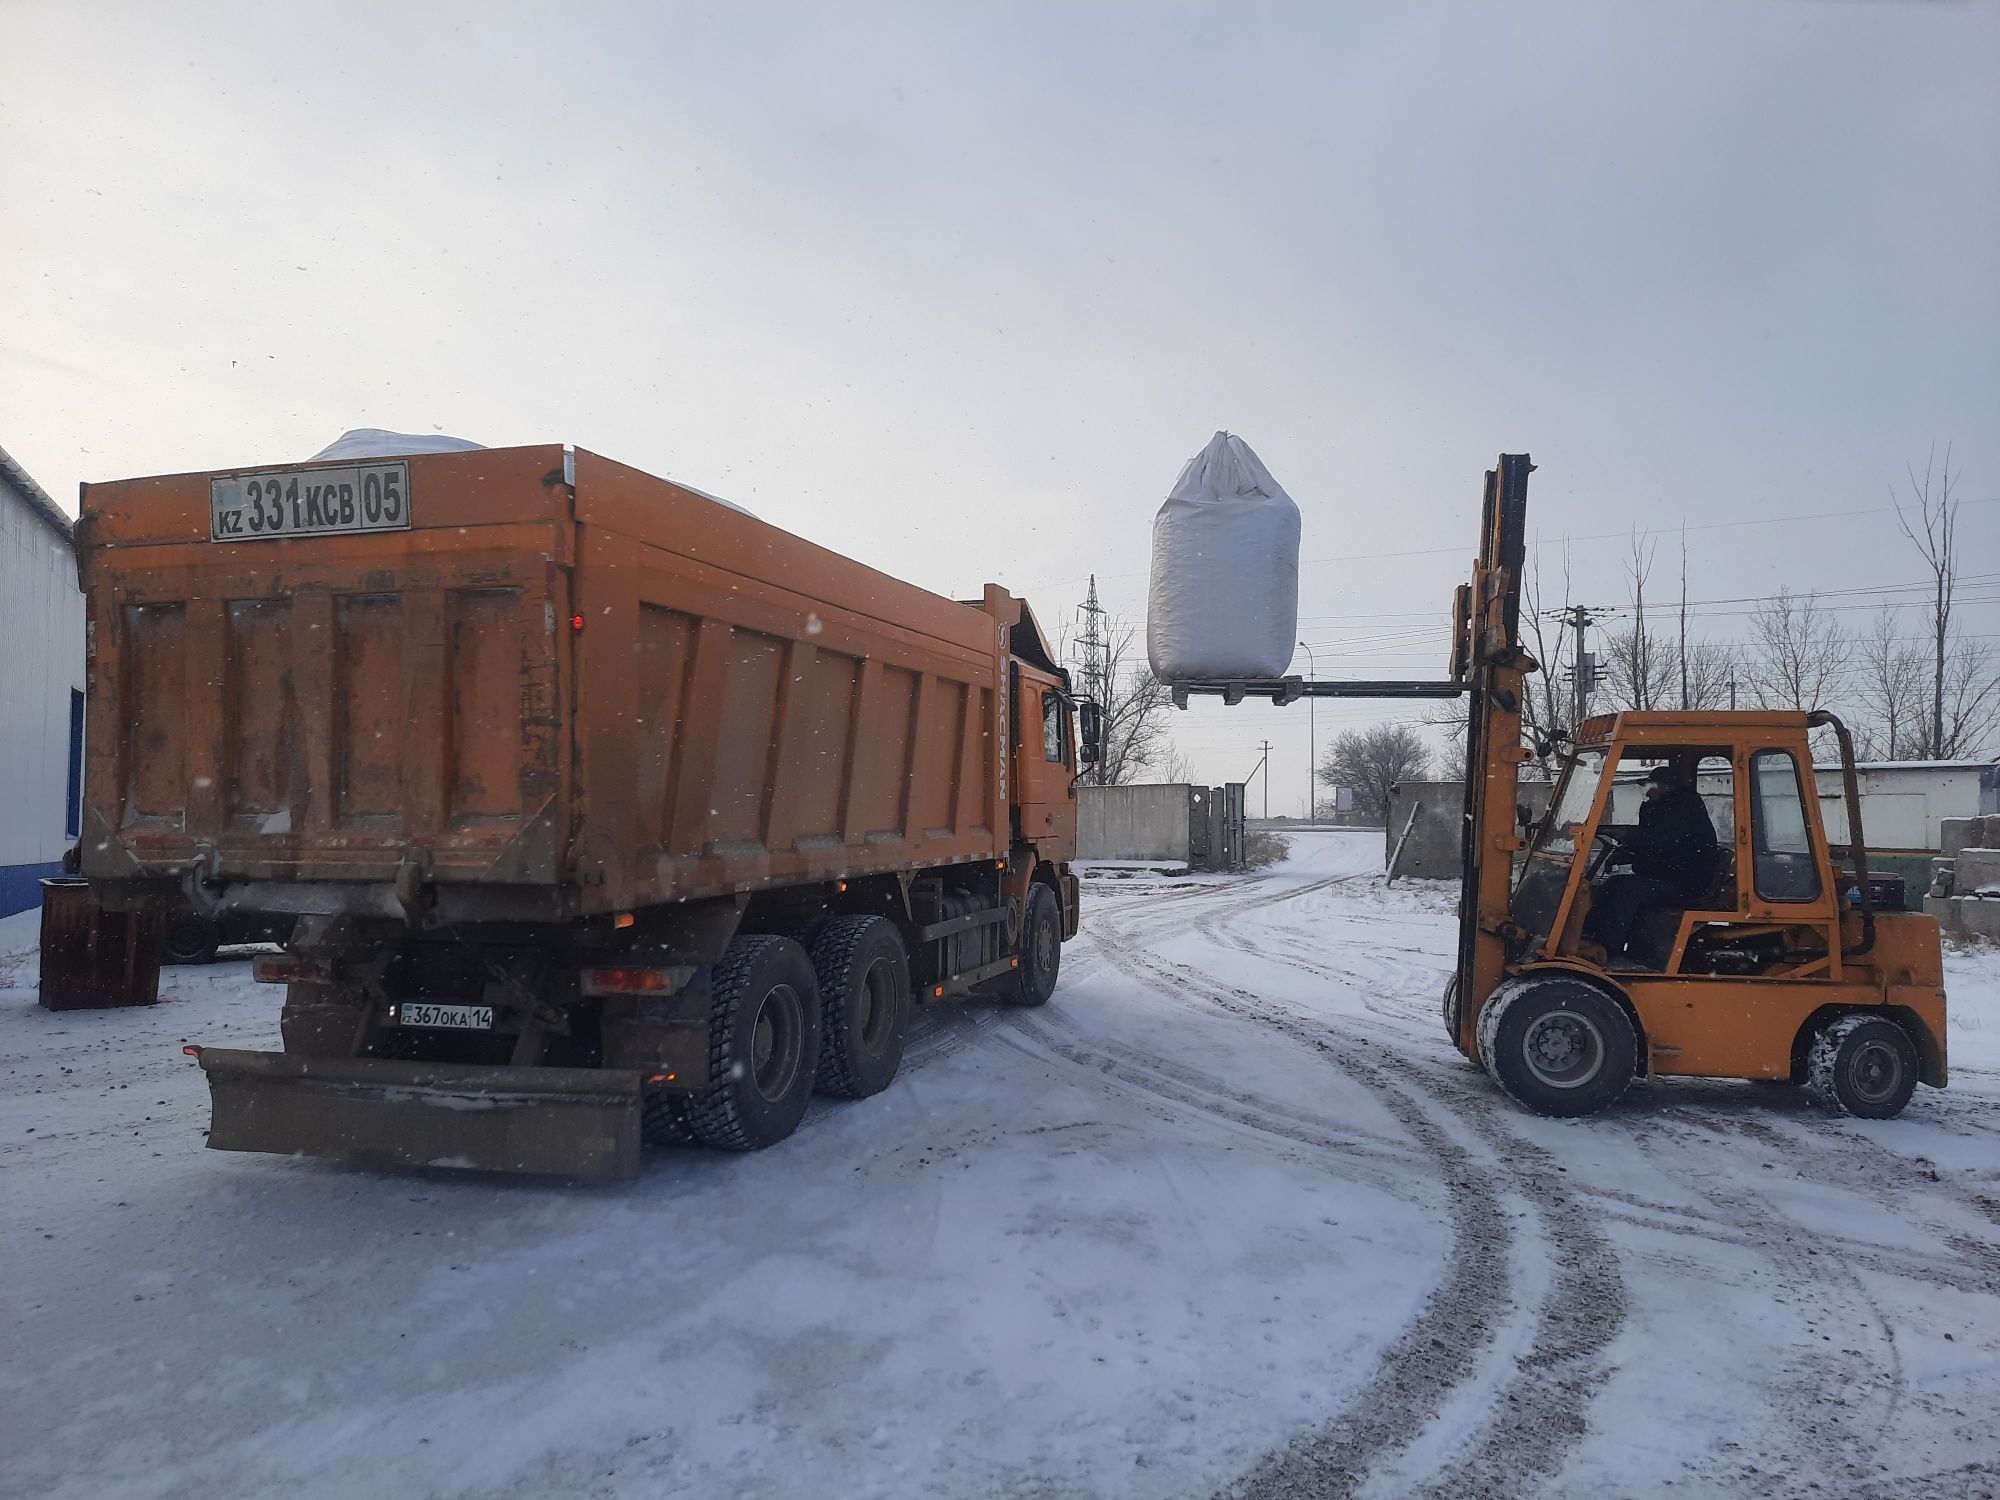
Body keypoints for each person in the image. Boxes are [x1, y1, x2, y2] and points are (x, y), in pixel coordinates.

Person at [1586, 760, 1719, 962]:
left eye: (1650, 787)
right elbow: (1654, 845)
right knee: (1613, 883)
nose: (1646, 793)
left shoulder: (1684, 807)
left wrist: (1625, 836)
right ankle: (1587, 935)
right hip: (1667, 873)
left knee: (1631, 890)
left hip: (1685, 880)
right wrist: (1624, 853)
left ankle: (1607, 947)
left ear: (1667, 786)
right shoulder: (1660, 808)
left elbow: (1661, 841)